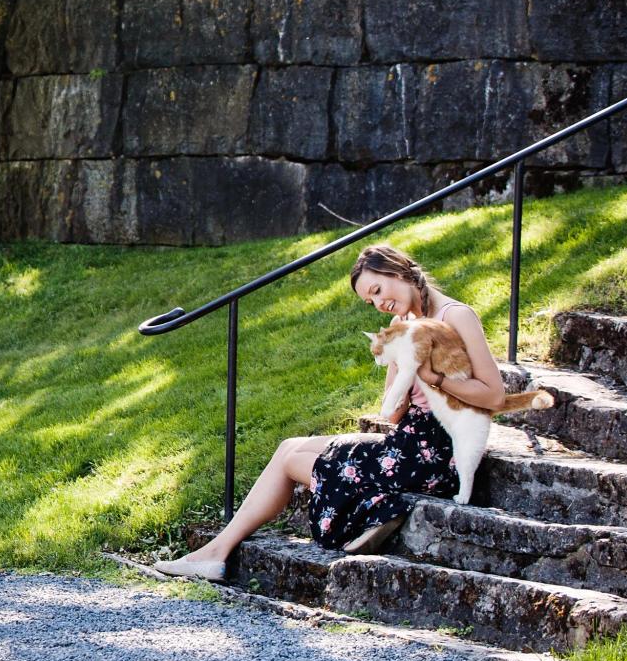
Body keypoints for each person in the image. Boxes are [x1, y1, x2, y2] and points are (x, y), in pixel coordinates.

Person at [151, 244, 507, 580]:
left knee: (295, 462)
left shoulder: (455, 315)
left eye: (379, 290)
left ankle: (219, 551)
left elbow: (494, 396)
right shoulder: (406, 325)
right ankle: (217, 550)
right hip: (410, 437)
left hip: (439, 450)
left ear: (400, 271)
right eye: (371, 300)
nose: (379, 303)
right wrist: (399, 364)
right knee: (289, 447)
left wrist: (433, 377)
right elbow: (394, 417)